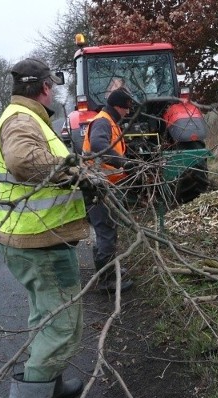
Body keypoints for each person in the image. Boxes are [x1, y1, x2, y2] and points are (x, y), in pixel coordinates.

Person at [0, 58, 90, 398]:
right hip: (39, 241)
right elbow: (22, 161)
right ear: (46, 87)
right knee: (62, 326)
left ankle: (51, 385)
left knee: (47, 317)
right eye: (54, 85)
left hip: (34, 237)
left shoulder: (24, 117)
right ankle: (31, 396)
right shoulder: (22, 120)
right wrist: (75, 173)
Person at [82, 88, 136, 292]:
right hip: (98, 186)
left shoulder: (108, 121)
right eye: (127, 108)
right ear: (118, 106)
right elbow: (97, 144)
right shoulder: (103, 121)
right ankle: (107, 281)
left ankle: (109, 269)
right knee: (106, 232)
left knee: (108, 229)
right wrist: (123, 163)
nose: (128, 112)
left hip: (105, 185)